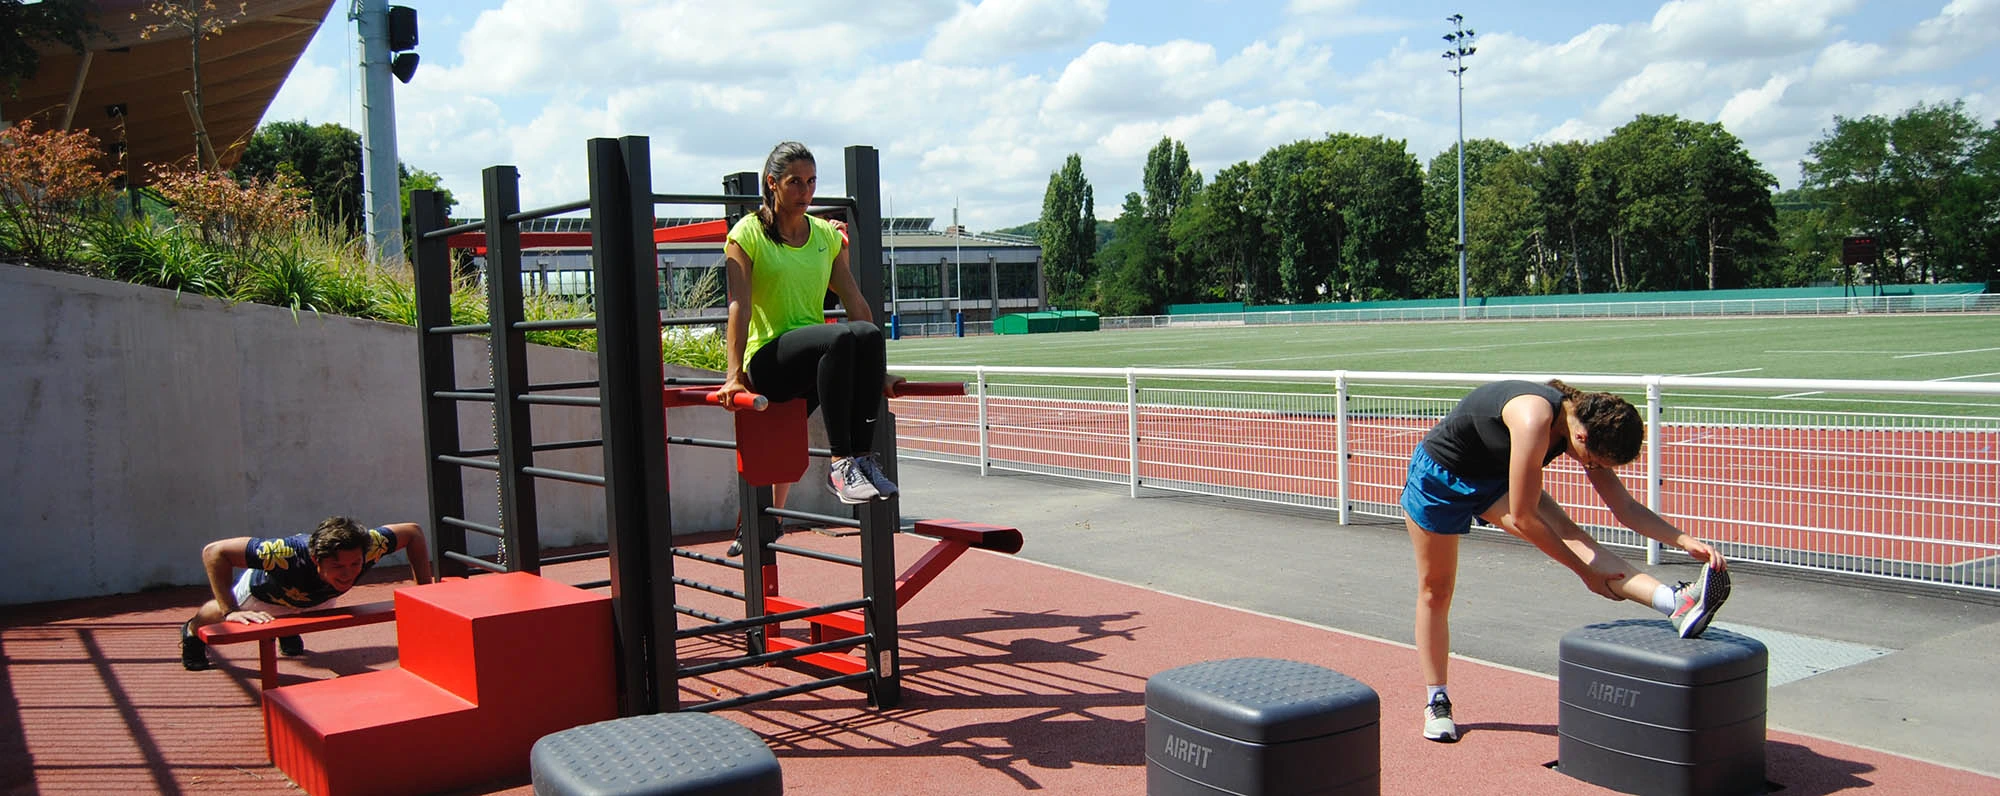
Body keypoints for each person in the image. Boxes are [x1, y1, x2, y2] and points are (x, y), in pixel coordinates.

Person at [1401, 379, 1729, 743]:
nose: (1589, 466)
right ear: (1584, 438)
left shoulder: (1586, 429)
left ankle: (1675, 602)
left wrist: (1682, 540)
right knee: (1436, 589)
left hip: (1495, 479)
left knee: (1576, 538)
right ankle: (1437, 698)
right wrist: (1584, 573)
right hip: (1440, 478)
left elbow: (1624, 507)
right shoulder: (1533, 419)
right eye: (1592, 462)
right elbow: (1526, 519)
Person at [715, 141, 904, 505]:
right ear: (772, 183)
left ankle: (862, 458)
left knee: (866, 333)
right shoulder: (748, 233)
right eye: (795, 183)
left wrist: (876, 372)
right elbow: (739, 305)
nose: (806, 192)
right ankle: (840, 464)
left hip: (817, 361)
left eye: (812, 182)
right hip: (770, 360)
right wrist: (733, 375)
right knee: (838, 339)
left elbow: (856, 303)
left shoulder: (825, 235)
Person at [179, 517, 431, 671]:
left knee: (314, 606)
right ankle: (191, 632)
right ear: (315, 559)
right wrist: (230, 610)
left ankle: (288, 629)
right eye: (338, 566)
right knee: (220, 612)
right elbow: (214, 551)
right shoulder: (283, 553)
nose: (349, 573)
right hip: (263, 596)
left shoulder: (369, 544)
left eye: (355, 564)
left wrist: (424, 591)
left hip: (316, 597)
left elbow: (413, 532)